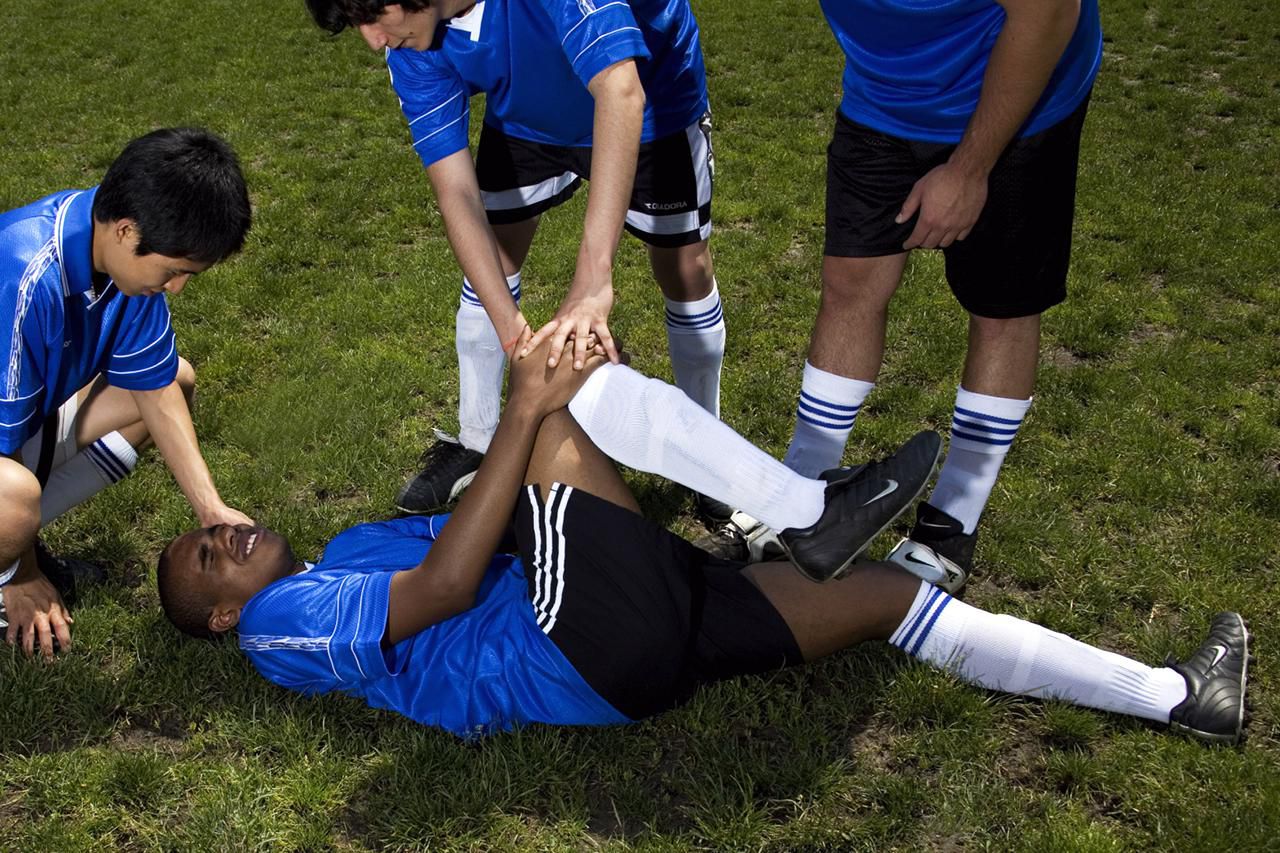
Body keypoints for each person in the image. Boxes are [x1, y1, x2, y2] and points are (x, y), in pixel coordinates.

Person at [157, 338, 1249, 746]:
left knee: (878, 595)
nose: (223, 533)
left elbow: (484, 528)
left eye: (210, 529)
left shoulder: (350, 540)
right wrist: (528, 422)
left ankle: (1171, 696)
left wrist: (540, 461)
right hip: (559, 650)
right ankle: (799, 510)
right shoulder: (274, 628)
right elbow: (446, 585)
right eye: (208, 557)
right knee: (557, 401)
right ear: (218, 614)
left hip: (623, 626)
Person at [708, 0, 1103, 590]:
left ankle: (951, 523)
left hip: (1021, 98)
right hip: (884, 102)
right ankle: (800, 492)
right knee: (849, 283)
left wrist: (970, 170)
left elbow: (1046, 13)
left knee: (1002, 308)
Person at [304, 0, 729, 521]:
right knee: (493, 259)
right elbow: (456, 193)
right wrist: (512, 333)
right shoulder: (411, 42)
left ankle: (707, 453)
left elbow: (621, 90)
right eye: (355, 25)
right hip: (528, 117)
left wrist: (593, 282)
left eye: (371, 15)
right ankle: (478, 442)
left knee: (684, 271)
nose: (372, 40)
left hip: (650, 104)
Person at [0, 127, 255, 660]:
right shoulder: (21, 277)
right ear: (124, 230)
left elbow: (157, 391)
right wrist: (22, 577)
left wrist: (210, 508)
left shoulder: (121, 261)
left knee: (177, 382)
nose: (177, 287)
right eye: (174, 271)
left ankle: (15, 546)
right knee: (14, 498)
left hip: (23, 428)